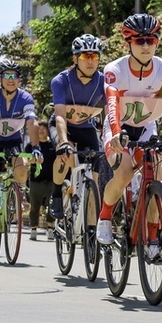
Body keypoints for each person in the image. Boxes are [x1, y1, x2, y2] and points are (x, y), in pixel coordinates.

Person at [95, 13, 162, 263]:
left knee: (155, 177)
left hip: (147, 126)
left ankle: (151, 238)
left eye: (152, 40)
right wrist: (116, 132)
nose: (147, 45)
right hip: (119, 127)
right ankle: (105, 217)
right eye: (140, 41)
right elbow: (113, 102)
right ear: (128, 43)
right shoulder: (114, 69)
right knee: (125, 173)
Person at [0, 60, 43, 254]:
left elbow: (31, 123)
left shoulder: (25, 98)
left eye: (14, 76)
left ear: (18, 79)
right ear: (0, 79)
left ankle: (14, 195)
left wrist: (36, 147)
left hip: (14, 142)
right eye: (6, 76)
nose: (10, 80)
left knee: (22, 170)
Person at [49, 33, 106, 221]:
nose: (90, 61)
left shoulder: (104, 81)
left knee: (95, 179)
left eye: (94, 56)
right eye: (85, 56)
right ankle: (56, 193)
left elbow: (110, 111)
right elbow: (59, 116)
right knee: (65, 152)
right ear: (75, 58)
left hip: (85, 127)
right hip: (62, 125)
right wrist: (64, 141)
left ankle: (92, 231)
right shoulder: (61, 80)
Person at [27, 121, 56, 241]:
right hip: (35, 180)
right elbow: (25, 160)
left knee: (53, 205)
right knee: (34, 206)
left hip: (51, 180)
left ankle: (50, 228)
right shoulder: (31, 146)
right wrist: (31, 161)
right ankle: (33, 229)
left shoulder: (53, 145)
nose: (41, 130)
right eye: (39, 129)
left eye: (44, 128)